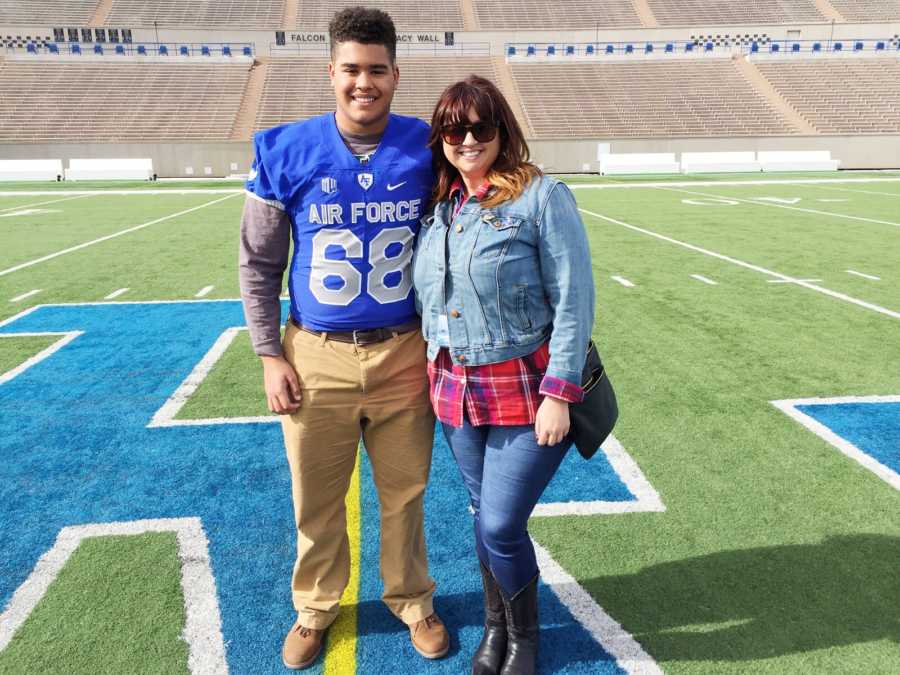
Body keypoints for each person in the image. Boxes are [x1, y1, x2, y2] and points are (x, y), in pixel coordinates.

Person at [239, 7, 448, 670]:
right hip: (315, 351)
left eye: (377, 70)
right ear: (332, 72)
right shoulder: (285, 148)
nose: (365, 82)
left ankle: (412, 597)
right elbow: (259, 260)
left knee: (406, 490)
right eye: (352, 69)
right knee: (316, 497)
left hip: (403, 350)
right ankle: (315, 607)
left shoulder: (427, 145)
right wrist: (269, 353)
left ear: (395, 73)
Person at [412, 76, 595, 675]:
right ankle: (497, 629)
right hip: (454, 389)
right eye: (453, 129)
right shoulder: (440, 208)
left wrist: (560, 393)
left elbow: (573, 300)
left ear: (501, 132)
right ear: (440, 137)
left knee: (501, 522)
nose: (467, 139)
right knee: (478, 514)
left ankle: (527, 639)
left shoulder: (541, 197)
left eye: (480, 127)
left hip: (526, 388)